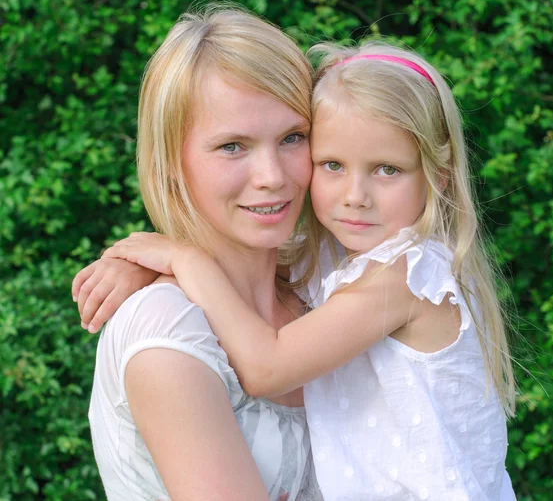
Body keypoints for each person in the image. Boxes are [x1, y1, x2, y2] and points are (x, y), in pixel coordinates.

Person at [77, 44, 517, 499]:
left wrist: (184, 261)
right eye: (332, 165)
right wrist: (136, 267)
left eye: (291, 138)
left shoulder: (405, 274)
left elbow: (267, 366)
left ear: (437, 176)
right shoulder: (329, 265)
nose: (355, 195)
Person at [76, 3, 327, 501]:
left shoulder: (321, 281)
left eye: (292, 137)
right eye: (232, 146)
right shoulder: (167, 335)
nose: (273, 176)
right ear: (171, 161)